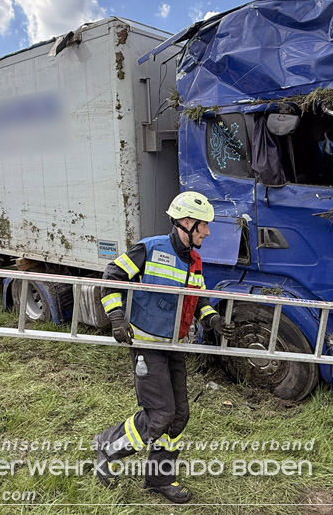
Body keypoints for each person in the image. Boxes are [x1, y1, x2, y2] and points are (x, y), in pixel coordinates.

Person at [93, 191, 233, 504]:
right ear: (186, 223)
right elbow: (112, 276)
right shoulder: (149, 248)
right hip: (147, 345)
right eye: (204, 226)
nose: (207, 232)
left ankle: (159, 478)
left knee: (179, 416)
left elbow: (199, 300)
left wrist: (212, 321)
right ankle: (107, 446)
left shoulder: (194, 261)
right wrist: (116, 317)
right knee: (160, 414)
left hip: (175, 345)